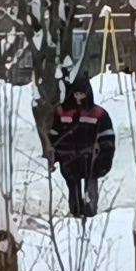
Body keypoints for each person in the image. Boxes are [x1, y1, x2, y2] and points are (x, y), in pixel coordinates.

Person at [49, 75, 115, 219]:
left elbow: (107, 139)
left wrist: (104, 161)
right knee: (74, 192)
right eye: (76, 94)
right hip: (69, 162)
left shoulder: (98, 114)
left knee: (90, 193)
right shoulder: (61, 112)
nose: (79, 97)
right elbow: (54, 136)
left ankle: (90, 216)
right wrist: (55, 156)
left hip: (91, 162)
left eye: (82, 94)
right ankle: (76, 215)